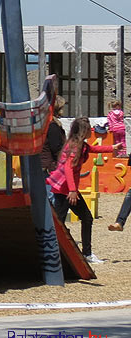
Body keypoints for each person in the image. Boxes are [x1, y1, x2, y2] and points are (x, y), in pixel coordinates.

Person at [46, 117, 122, 264]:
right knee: (59, 224)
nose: (91, 131)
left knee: (85, 218)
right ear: (83, 131)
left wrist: (112, 148)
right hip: (64, 190)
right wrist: (73, 191)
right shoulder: (74, 146)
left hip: (69, 189)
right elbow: (68, 168)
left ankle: (86, 254)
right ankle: (51, 254)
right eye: (88, 129)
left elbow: (94, 148)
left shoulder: (82, 145)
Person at [41, 96, 67, 204]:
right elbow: (57, 148)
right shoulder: (52, 126)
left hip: (46, 164)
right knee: (51, 197)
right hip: (49, 166)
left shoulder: (47, 123)